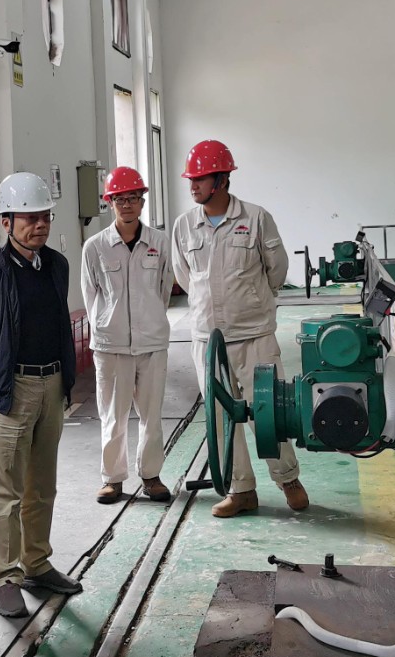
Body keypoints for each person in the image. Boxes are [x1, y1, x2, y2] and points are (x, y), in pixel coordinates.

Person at [0, 172, 82, 620]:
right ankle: (7, 579)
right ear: (6, 222)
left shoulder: (57, 266)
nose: (39, 225)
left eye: (45, 216)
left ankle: (37, 564)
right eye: (29, 218)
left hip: (52, 384)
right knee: (7, 491)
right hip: (12, 389)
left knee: (42, 485)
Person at [171, 139, 307, 517]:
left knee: (269, 410)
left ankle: (288, 479)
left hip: (253, 335)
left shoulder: (256, 218)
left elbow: (277, 270)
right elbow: (183, 275)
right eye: (191, 179)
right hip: (207, 339)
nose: (193, 185)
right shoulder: (184, 226)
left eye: (200, 178)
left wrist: (250, 302)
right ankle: (241, 489)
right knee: (219, 417)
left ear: (222, 180)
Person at [81, 166, 174, 505]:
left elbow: (164, 288)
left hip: (152, 342)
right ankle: (112, 479)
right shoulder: (95, 247)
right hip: (112, 345)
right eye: (120, 199)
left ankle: (151, 476)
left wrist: (149, 319)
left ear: (142, 201)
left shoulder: (159, 243)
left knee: (152, 415)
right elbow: (90, 295)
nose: (127, 205)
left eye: (133, 198)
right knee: (112, 416)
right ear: (110, 203)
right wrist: (108, 324)